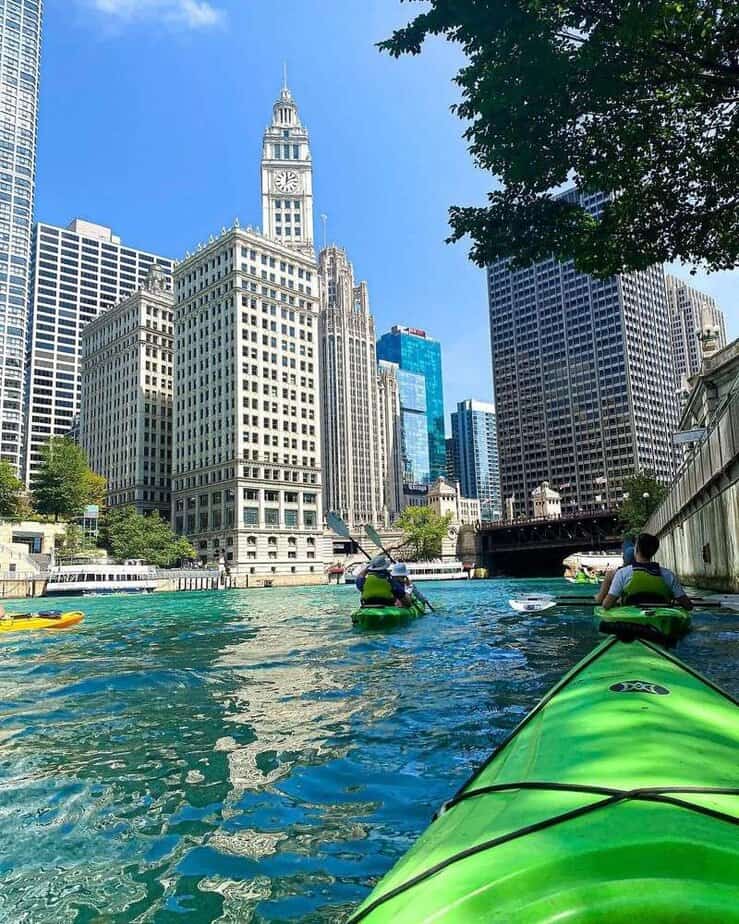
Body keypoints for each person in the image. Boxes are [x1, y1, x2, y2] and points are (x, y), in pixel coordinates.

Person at [601, 532, 692, 610]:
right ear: (654, 552)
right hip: (661, 617)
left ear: (636, 550)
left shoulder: (622, 574)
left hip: (631, 619)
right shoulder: (668, 575)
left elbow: (606, 605)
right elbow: (688, 606)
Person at [595, 537, 636, 604]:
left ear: (624, 558)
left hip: (624, 605)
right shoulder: (657, 570)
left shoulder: (617, 573)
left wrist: (598, 597)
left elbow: (602, 602)